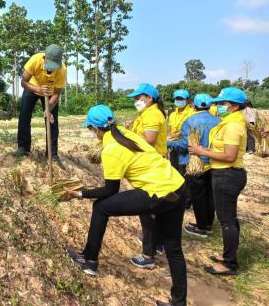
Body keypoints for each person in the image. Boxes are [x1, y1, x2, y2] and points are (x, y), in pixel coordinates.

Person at [66, 105, 187, 306]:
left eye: (91, 130)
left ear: (94, 129)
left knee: (100, 207)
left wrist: (80, 194)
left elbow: (109, 191)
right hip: (178, 187)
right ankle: (178, 302)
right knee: (174, 248)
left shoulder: (112, 149)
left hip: (157, 192)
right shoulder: (125, 133)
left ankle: (89, 260)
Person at [189, 87, 247, 276]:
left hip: (227, 175)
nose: (219, 106)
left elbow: (229, 156)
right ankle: (227, 256)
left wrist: (201, 152)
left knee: (227, 221)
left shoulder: (232, 126)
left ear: (235, 106)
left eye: (223, 103)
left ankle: (229, 264)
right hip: (226, 174)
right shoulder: (228, 123)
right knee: (228, 219)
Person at [126, 83, 167, 268]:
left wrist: (126, 137)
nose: (136, 101)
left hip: (151, 168)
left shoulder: (151, 113)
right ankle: (157, 244)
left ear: (149, 98)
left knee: (147, 210)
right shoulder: (148, 112)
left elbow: (149, 140)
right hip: (153, 165)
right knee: (155, 209)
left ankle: (148, 255)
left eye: (138, 98)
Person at [168, 94, 220, 237]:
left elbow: (185, 145)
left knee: (198, 195)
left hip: (195, 164)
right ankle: (209, 224)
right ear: (210, 105)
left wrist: (168, 143)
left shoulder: (190, 121)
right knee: (210, 195)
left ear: (194, 105)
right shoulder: (218, 121)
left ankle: (201, 228)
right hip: (213, 162)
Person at [13, 44, 67, 168]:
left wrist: (49, 108)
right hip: (32, 87)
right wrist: (37, 88)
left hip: (50, 92)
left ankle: (52, 154)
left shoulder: (62, 69)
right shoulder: (35, 60)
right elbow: (23, 82)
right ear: (45, 58)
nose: (52, 68)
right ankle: (23, 147)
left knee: (52, 121)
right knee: (24, 116)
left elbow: (57, 93)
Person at [168, 89, 194, 172]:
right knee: (174, 170)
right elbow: (170, 129)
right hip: (173, 146)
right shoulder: (172, 114)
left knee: (184, 171)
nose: (178, 100)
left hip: (185, 147)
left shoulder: (192, 113)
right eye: (177, 98)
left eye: (181, 99)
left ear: (187, 100)